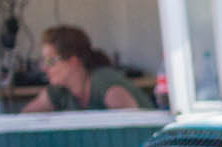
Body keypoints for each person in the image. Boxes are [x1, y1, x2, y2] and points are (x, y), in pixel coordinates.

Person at [22, 25, 152, 113]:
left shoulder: (105, 84)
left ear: (73, 61)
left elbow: (135, 131)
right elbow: (23, 121)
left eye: (50, 61)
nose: (44, 68)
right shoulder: (58, 90)